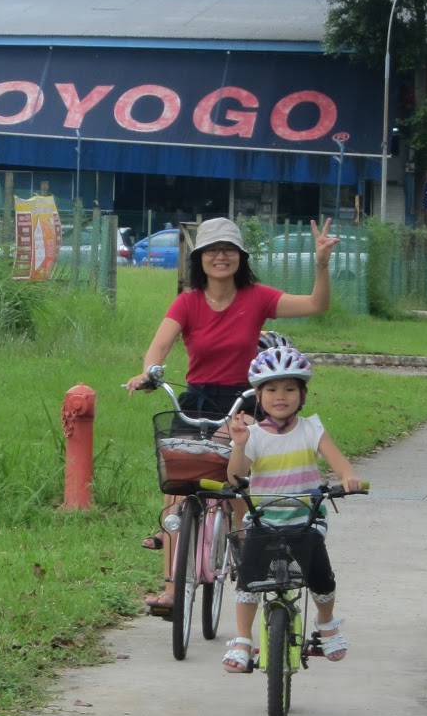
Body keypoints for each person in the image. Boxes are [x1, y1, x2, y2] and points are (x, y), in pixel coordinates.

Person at [126, 216, 340, 613]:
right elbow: (159, 347)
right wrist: (149, 372)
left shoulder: (257, 297)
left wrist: (322, 263)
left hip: (243, 401)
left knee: (238, 487)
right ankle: (173, 587)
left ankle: (247, 564)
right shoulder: (187, 302)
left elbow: (316, 304)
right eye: (212, 250)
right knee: (177, 492)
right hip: (196, 400)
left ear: (240, 258)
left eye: (229, 250)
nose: (220, 257)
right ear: (200, 258)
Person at [221, 344, 364, 674]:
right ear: (259, 396)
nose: (280, 396)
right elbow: (236, 476)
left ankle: (326, 624)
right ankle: (243, 639)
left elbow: (339, 462)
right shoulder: (252, 434)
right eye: (271, 389)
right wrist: (239, 444)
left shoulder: (312, 428)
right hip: (262, 518)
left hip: (306, 518)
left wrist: (349, 477)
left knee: (319, 575)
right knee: (249, 577)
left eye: (289, 389)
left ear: (303, 394)